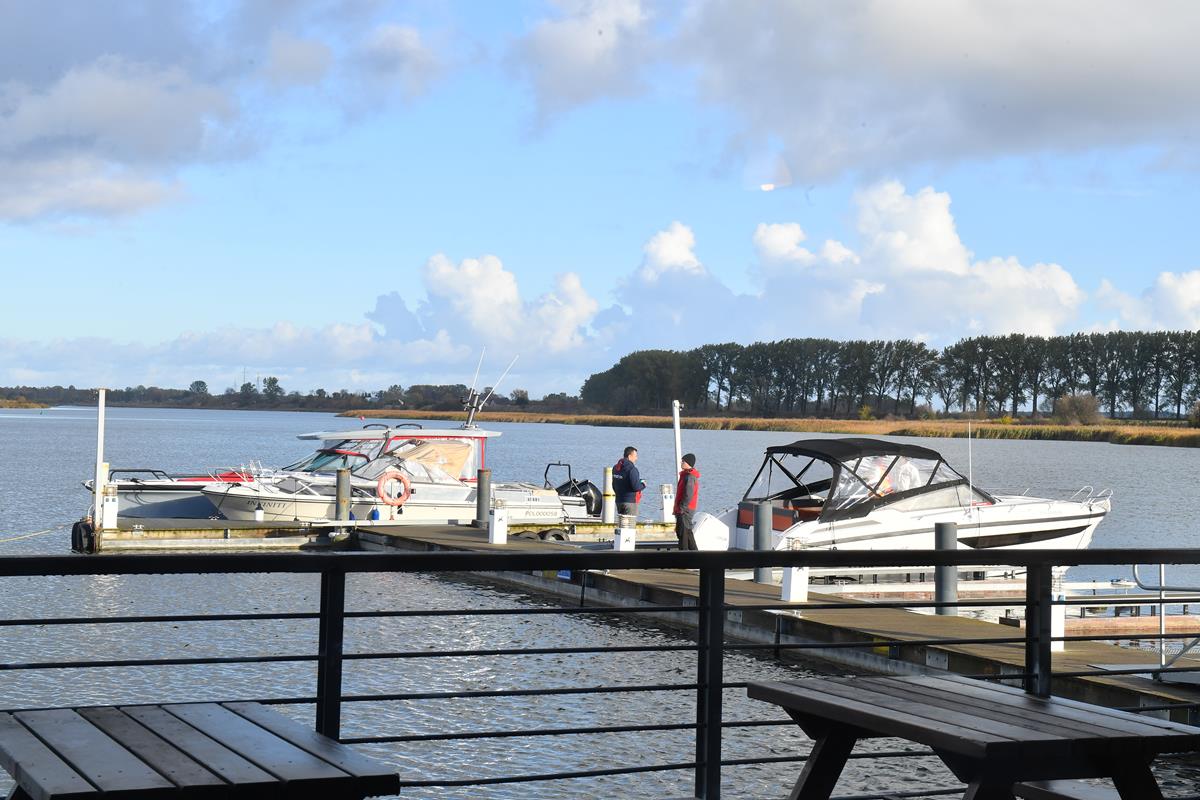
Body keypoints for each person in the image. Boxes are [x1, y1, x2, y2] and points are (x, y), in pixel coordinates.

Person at [673, 453, 700, 550]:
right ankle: (694, 554)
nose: (681, 462)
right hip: (684, 509)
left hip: (685, 510)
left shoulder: (690, 477)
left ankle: (684, 555)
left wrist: (681, 508)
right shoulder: (685, 475)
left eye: (683, 461)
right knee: (687, 533)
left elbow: (688, 495)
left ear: (688, 463)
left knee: (683, 534)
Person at [612, 446, 645, 518]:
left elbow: (614, 485)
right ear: (629, 456)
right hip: (630, 502)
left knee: (622, 522)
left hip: (619, 501)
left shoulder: (615, 468)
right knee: (630, 523)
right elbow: (636, 487)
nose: (636, 458)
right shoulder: (632, 469)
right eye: (635, 456)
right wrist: (643, 484)